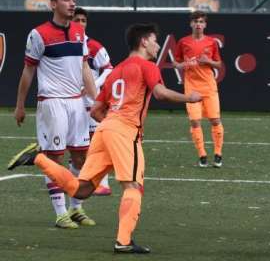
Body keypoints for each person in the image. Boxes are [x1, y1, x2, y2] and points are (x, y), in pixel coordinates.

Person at [8, 23, 202, 254]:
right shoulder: (148, 66)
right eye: (154, 40)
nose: (158, 45)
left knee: (82, 189)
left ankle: (40, 158)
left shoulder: (117, 70)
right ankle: (123, 241)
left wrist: (113, 122)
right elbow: (160, 93)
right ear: (143, 42)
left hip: (105, 129)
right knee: (133, 186)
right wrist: (189, 97)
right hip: (124, 131)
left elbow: (96, 111)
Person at [13, 0, 98, 229]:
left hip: (77, 103)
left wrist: (97, 100)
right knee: (55, 158)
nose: (72, 4)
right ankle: (60, 213)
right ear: (53, 4)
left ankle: (76, 209)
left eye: (74, 0)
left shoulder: (80, 32)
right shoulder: (38, 34)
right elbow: (28, 70)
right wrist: (20, 105)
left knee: (82, 157)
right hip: (52, 103)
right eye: (66, 0)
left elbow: (85, 70)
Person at [173, 11, 224, 168]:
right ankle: (202, 154)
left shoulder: (211, 42)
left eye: (201, 21)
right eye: (195, 21)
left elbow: (219, 64)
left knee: (215, 120)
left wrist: (208, 60)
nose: (198, 24)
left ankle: (218, 153)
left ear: (205, 25)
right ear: (191, 24)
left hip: (208, 86)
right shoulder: (183, 42)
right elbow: (176, 62)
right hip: (191, 87)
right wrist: (182, 65)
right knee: (195, 121)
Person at [73, 7, 114, 196]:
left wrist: (93, 87)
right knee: (74, 144)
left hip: (90, 102)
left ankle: (102, 183)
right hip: (71, 102)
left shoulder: (94, 46)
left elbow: (108, 69)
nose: (80, 23)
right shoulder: (65, 43)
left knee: (94, 142)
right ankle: (75, 179)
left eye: (83, 20)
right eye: (77, 20)